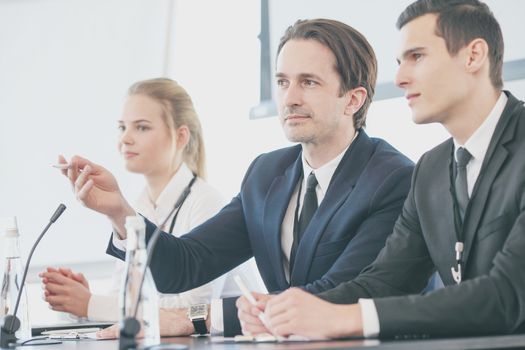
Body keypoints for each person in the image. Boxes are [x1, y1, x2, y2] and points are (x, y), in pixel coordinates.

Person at [59, 19, 413, 337]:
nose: (289, 98)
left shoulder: (393, 178)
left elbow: (343, 291)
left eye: (308, 82)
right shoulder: (265, 174)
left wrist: (199, 317)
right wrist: (120, 212)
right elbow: (186, 264)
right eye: (282, 82)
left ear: (353, 99)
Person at [256, 0, 525, 340]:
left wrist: (350, 319)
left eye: (417, 57)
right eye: (400, 62)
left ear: (473, 56)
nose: (399, 78)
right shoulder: (430, 169)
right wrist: (284, 313)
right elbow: (386, 281)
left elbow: (507, 295)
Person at [40, 78, 260, 323]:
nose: (125, 139)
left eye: (141, 127)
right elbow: (123, 297)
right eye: (122, 127)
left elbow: (194, 310)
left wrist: (92, 305)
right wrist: (78, 301)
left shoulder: (206, 202)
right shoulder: (137, 207)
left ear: (181, 136)